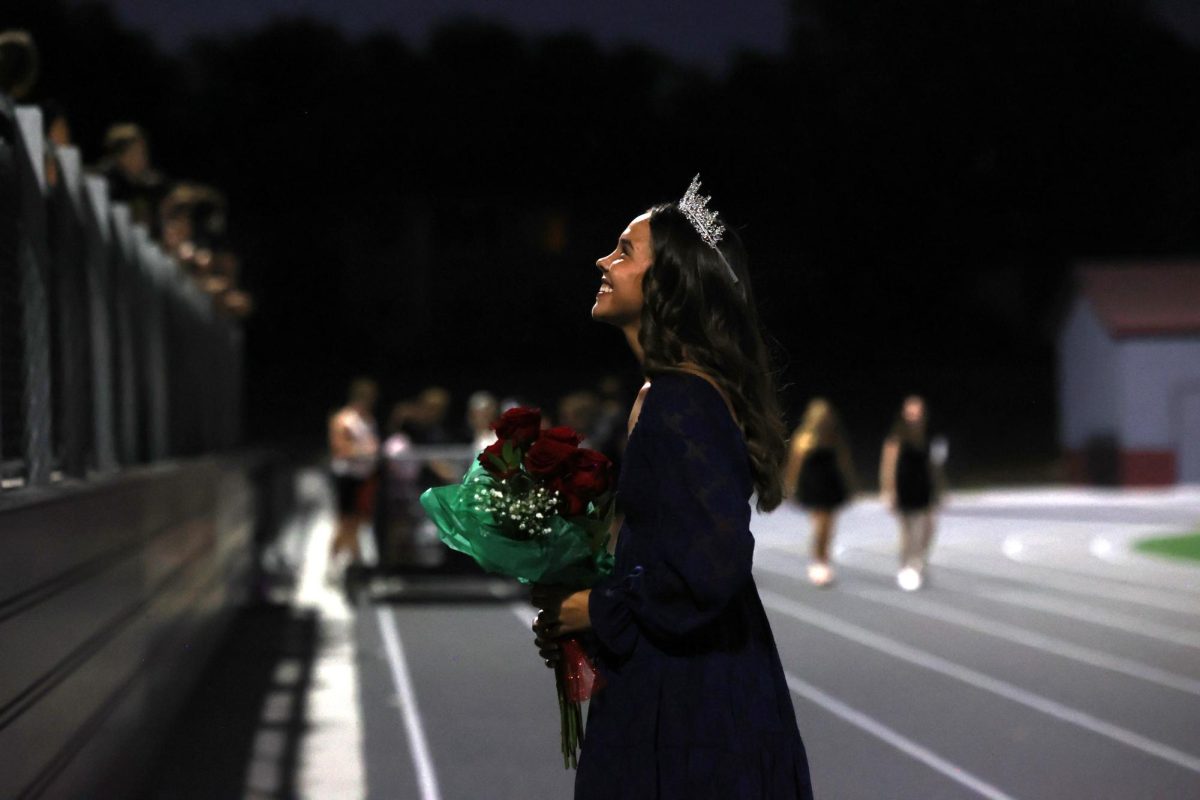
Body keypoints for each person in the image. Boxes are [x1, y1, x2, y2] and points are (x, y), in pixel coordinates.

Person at [533, 177, 813, 798]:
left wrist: (595, 609)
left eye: (624, 252)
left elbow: (711, 568)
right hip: (681, 683)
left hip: (694, 706)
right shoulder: (665, 393)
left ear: (665, 286)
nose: (603, 262)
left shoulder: (683, 401)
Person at [783, 398, 856, 586]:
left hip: (831, 484)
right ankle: (818, 561)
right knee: (820, 525)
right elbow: (794, 465)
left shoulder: (834, 438)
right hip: (813, 485)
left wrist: (851, 484)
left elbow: (844, 462)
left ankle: (823, 560)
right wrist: (790, 487)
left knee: (829, 526)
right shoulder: (804, 438)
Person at [879, 395, 945, 591]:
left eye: (917, 412)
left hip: (924, 488)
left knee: (928, 528)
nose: (914, 416)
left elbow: (935, 466)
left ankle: (918, 561)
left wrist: (941, 488)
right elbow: (888, 466)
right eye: (910, 412)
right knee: (908, 532)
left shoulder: (930, 436)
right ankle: (907, 565)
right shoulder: (897, 437)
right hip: (904, 489)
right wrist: (888, 491)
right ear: (904, 415)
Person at [328, 378, 380, 580]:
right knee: (345, 522)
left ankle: (355, 565)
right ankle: (332, 563)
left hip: (365, 476)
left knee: (359, 521)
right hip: (347, 476)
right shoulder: (344, 419)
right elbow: (339, 448)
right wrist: (364, 451)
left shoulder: (369, 419)